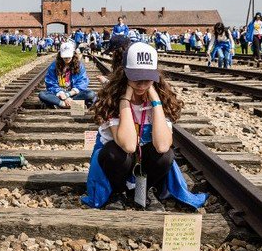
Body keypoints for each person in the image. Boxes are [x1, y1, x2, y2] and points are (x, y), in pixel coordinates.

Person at [81, 42, 207, 211]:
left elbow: (162, 146)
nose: (141, 84)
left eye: (147, 78)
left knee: (165, 156)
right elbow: (128, 145)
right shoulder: (112, 99)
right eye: (135, 77)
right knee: (115, 153)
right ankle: (118, 192)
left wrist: (156, 102)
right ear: (124, 74)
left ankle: (145, 191)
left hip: (145, 160)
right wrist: (124, 101)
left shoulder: (160, 98)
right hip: (117, 161)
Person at [38, 41, 96, 108]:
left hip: (74, 94)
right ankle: (65, 104)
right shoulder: (54, 66)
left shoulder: (79, 66)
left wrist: (68, 94)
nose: (67, 59)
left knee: (90, 94)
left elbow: (82, 81)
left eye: (69, 57)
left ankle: (60, 104)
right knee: (42, 94)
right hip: (59, 95)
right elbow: (51, 83)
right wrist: (63, 96)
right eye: (65, 57)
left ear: (73, 54)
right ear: (60, 55)